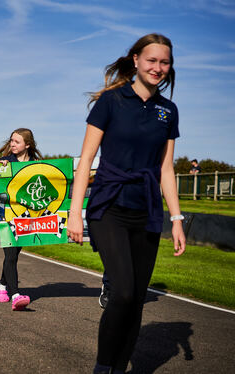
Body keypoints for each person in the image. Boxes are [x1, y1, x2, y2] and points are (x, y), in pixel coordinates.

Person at [66, 34, 186, 374]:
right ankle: (103, 368)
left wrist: (176, 219)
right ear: (135, 60)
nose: (158, 68)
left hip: (147, 210)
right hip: (109, 206)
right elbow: (87, 159)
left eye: (164, 62)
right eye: (152, 60)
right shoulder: (111, 101)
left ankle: (119, 369)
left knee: (136, 301)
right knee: (122, 292)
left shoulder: (168, 110)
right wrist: (75, 214)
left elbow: (166, 168)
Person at [0, 128, 43, 311]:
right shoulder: (5, 162)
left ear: (27, 145)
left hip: (27, 217)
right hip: (7, 215)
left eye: (17, 142)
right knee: (11, 254)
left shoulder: (36, 163)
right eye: (11, 141)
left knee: (13, 254)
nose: (12, 144)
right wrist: (1, 169)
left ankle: (1, 286)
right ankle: (15, 295)